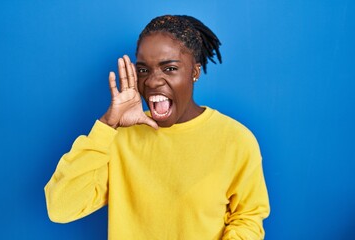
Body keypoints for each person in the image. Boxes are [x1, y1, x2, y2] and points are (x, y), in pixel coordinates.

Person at [44, 15, 270, 239]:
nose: (152, 81)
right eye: (143, 70)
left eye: (169, 68)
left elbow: (248, 217)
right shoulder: (118, 137)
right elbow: (61, 208)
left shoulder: (235, 139)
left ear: (194, 72)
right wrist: (107, 125)